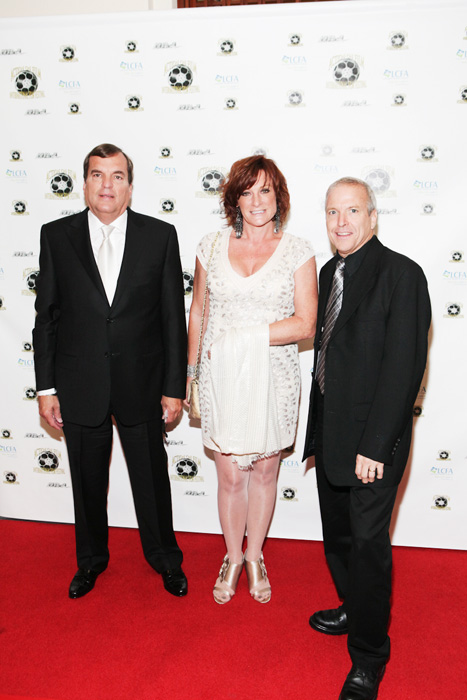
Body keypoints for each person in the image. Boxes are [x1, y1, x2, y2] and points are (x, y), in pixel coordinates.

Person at [33, 143, 188, 599]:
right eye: (98, 175)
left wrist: (173, 387)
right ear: (84, 184)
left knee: (152, 480)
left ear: (130, 187)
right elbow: (47, 318)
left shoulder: (159, 236)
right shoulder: (56, 236)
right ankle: (90, 561)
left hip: (143, 383)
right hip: (79, 383)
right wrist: (46, 388)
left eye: (117, 176)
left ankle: (166, 559)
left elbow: (172, 320)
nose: (107, 185)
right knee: (86, 482)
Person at [303, 177, 431, 700]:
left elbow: (404, 369)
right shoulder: (329, 272)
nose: (341, 222)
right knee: (338, 540)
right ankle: (353, 607)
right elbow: (328, 358)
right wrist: (315, 434)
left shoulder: (402, 274)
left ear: (373, 217)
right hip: (332, 436)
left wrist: (376, 447)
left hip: (374, 446)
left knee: (369, 547)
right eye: (333, 212)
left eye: (352, 211)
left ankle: (369, 656)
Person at [187, 155, 318, 604]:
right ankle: (232, 557)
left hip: (274, 377)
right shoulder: (209, 245)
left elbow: (306, 323)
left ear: (279, 197)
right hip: (221, 377)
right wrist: (191, 373)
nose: (257, 201)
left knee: (264, 473)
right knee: (229, 477)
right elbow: (199, 311)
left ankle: (256, 555)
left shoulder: (297, 250)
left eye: (266, 190)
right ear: (234, 199)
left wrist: (246, 336)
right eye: (247, 191)